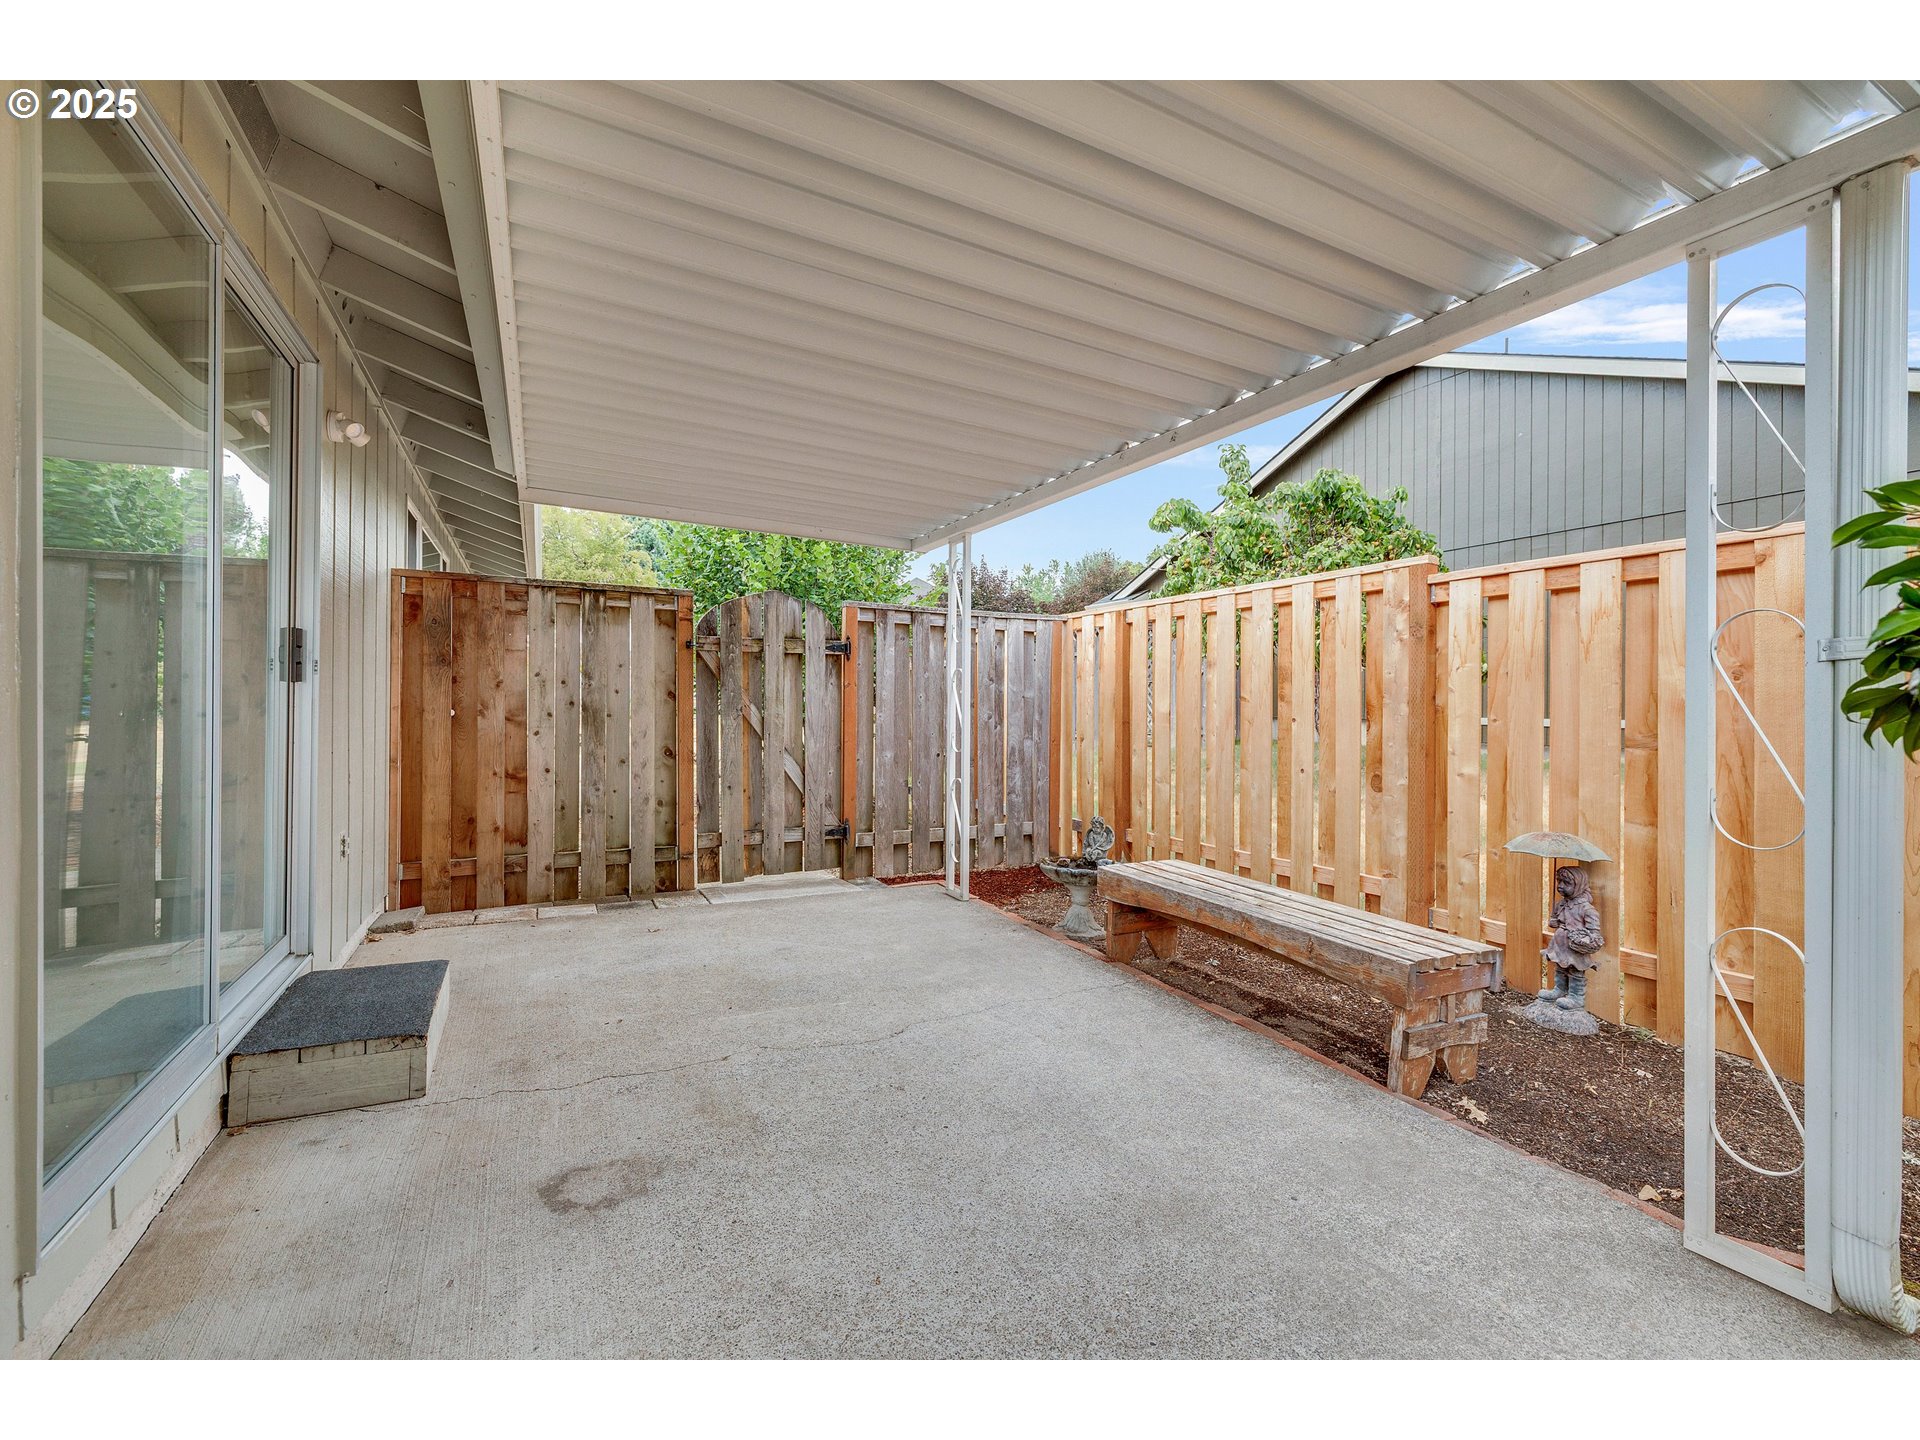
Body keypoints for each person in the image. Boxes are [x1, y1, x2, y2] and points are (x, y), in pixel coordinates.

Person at [1538, 864, 1603, 1011]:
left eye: (1566, 883)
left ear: (1579, 885)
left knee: (1575, 970)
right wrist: (1554, 920)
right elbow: (1555, 921)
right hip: (1560, 944)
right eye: (1559, 881)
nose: (1560, 886)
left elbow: (1594, 930)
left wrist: (1586, 939)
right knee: (1560, 966)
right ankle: (1559, 989)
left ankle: (1576, 997)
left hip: (1574, 946)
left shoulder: (1586, 909)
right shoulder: (1562, 904)